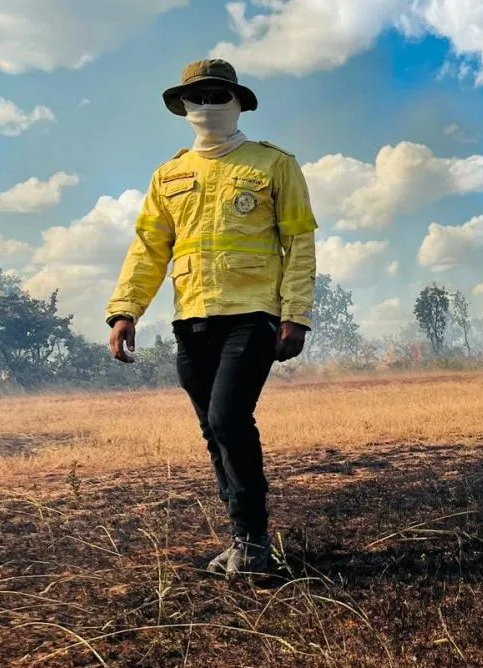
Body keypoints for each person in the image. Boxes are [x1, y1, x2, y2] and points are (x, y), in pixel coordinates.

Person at [104, 59, 318, 579]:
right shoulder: (169, 175)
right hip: (192, 318)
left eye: (218, 94)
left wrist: (296, 315)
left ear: (239, 102)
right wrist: (125, 310)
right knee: (211, 430)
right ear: (183, 107)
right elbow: (150, 248)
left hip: (253, 314)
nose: (207, 105)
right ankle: (243, 539)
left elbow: (299, 240)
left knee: (228, 419)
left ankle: (255, 543)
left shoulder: (274, 164)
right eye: (196, 96)